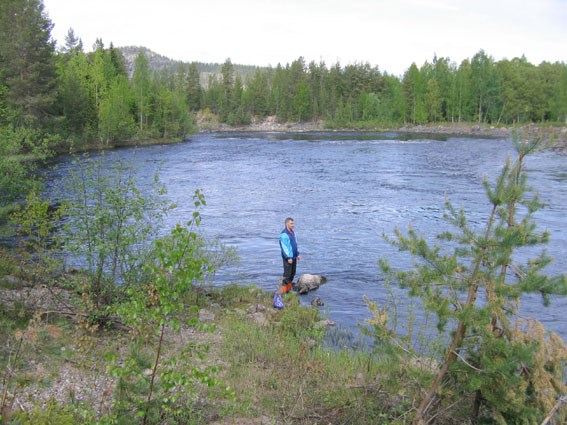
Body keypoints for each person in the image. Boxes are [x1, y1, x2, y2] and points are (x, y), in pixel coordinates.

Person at [279, 217, 301, 294]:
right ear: (287, 223)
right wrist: (288, 257)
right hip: (288, 258)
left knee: (293, 273)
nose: (293, 225)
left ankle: (288, 289)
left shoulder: (292, 232)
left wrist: (297, 254)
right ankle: (284, 293)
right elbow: (284, 247)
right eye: (291, 223)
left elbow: (294, 245)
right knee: (287, 274)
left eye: (293, 223)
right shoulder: (284, 234)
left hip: (294, 257)